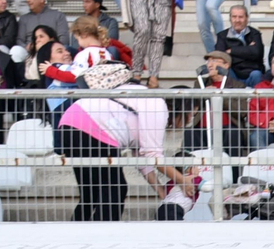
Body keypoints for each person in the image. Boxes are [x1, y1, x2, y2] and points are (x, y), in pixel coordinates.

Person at [56, 62, 189, 219]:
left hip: (71, 121)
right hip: (95, 128)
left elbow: (143, 160)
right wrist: (183, 180)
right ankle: (105, 236)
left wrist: (161, 191)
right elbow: (153, 155)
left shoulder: (141, 98)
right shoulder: (156, 102)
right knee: (115, 190)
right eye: (192, 115)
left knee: (90, 194)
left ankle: (77, 234)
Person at [215, 3, 265, 84]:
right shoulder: (222, 36)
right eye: (234, 17)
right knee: (225, 71)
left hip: (252, 72)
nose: (237, 20)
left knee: (257, 74)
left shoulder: (255, 33)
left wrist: (231, 51)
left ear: (247, 18)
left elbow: (257, 53)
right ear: (230, 18)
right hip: (232, 73)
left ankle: (256, 97)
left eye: (241, 17)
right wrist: (248, 50)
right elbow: (221, 57)